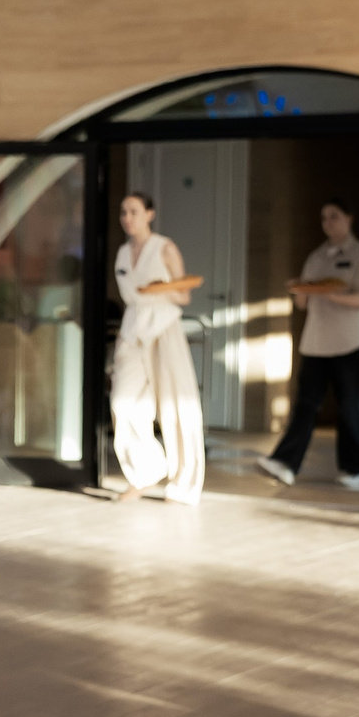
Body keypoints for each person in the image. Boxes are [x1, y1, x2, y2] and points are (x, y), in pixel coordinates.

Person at [258, 200, 359, 492]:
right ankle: (285, 462)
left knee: (350, 406)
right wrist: (302, 290)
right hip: (316, 342)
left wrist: (328, 294)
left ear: (350, 218)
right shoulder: (316, 256)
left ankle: (356, 469)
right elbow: (302, 301)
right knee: (306, 404)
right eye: (324, 218)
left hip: (350, 342)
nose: (328, 223)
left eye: (334, 217)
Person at [108, 190, 204, 503]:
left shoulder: (165, 247)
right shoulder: (122, 253)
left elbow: (184, 295)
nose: (127, 218)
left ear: (149, 214)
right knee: (122, 403)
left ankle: (184, 483)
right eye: (124, 212)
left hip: (163, 327)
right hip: (132, 330)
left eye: (134, 211)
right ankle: (145, 472)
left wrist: (160, 290)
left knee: (176, 405)